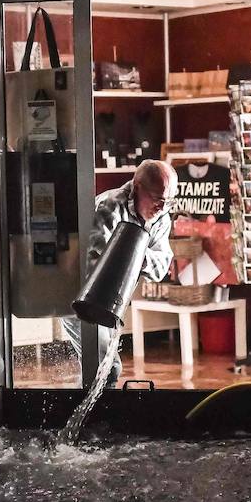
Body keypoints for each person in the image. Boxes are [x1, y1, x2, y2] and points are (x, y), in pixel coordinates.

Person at [63, 158, 177, 386]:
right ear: (137, 188)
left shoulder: (161, 215)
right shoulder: (108, 208)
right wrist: (136, 256)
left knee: (101, 372)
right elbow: (97, 266)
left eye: (169, 201)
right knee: (107, 368)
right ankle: (86, 418)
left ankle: (85, 416)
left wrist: (134, 255)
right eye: (157, 199)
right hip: (78, 299)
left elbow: (162, 265)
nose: (162, 208)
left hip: (110, 303)